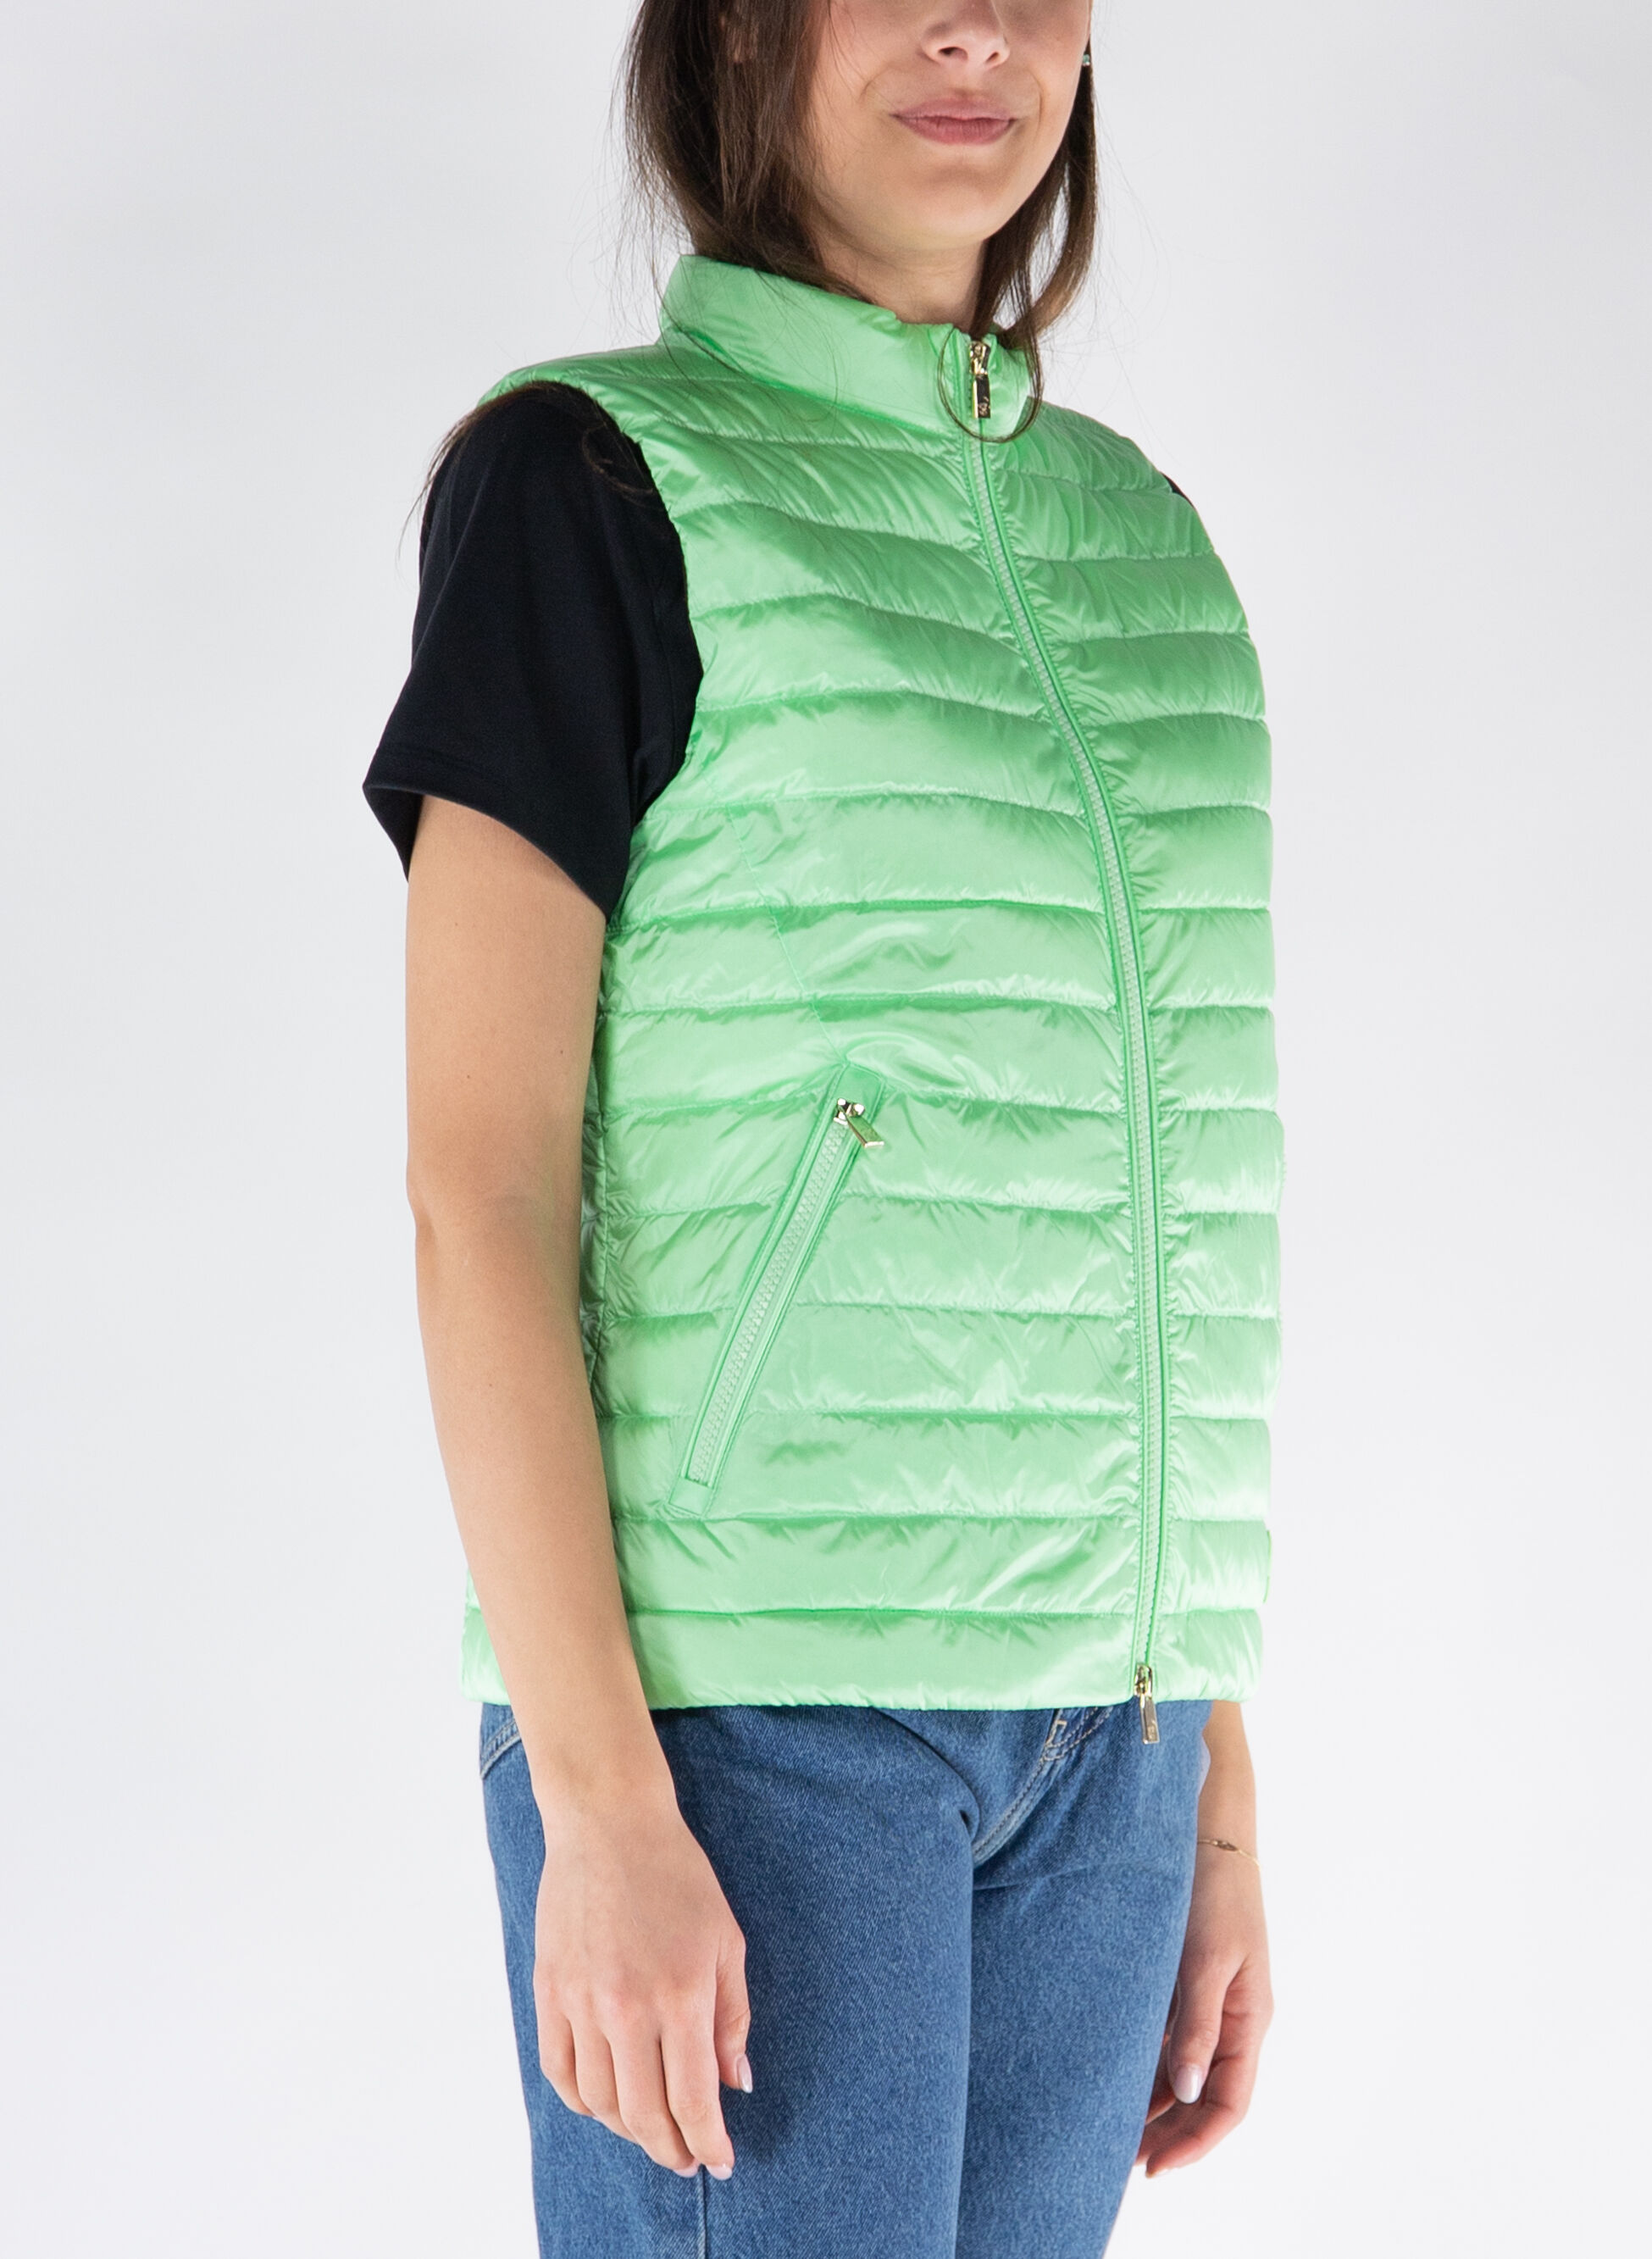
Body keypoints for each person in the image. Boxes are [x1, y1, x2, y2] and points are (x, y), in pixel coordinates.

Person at [363, 3, 1277, 2252]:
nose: (978, 28)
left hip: (1107, 1737)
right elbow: (482, 1190)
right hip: (752, 1715)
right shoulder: (591, 486)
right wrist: (601, 1801)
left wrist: (1207, 1761)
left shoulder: (1141, 542)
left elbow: (1142, 1199)